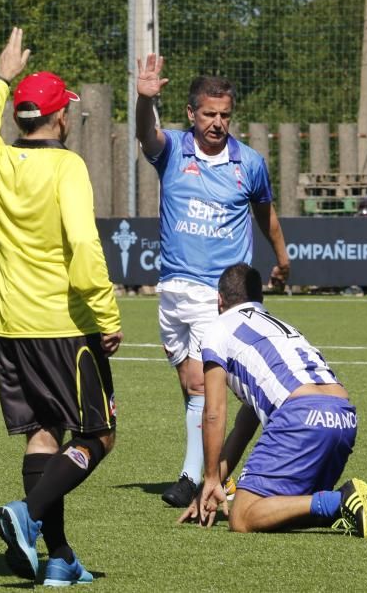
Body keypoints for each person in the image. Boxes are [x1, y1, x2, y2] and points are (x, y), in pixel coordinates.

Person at [0, 28, 123, 586]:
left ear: (19, 118)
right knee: (98, 436)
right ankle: (25, 515)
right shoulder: (67, 167)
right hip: (65, 327)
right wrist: (106, 315)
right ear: (58, 120)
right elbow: (83, 245)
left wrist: (0, 76)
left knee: (42, 435)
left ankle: (58, 558)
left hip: (10, 328)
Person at [135, 55, 290, 507]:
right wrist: (144, 101)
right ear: (191, 114)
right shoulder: (173, 150)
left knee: (206, 386)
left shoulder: (250, 163)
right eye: (209, 114)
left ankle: (195, 476)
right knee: (189, 385)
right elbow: (147, 133)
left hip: (217, 293)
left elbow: (267, 216)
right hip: (172, 289)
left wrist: (283, 258)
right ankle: (210, 465)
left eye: (225, 115)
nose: (217, 123)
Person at [177, 262, 367, 538]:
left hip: (301, 417)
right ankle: (347, 508)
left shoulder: (217, 329)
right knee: (279, 511)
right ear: (260, 299)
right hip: (344, 417)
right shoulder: (277, 326)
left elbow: (214, 412)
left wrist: (208, 477)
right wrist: (212, 484)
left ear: (219, 300)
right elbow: (243, 428)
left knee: (242, 517)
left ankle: (339, 501)